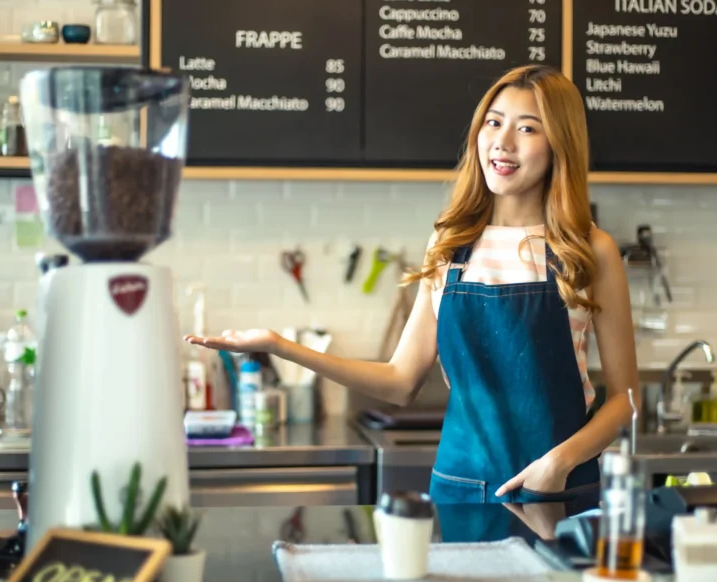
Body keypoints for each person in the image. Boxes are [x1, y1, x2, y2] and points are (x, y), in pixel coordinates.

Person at [185, 64, 639, 504]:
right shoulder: (450, 244)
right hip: (461, 488)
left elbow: (625, 399)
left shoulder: (589, 249)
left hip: (559, 492)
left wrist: (558, 463)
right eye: (493, 122)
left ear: (560, 143)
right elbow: (401, 381)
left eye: (527, 129)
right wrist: (280, 346)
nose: (501, 143)